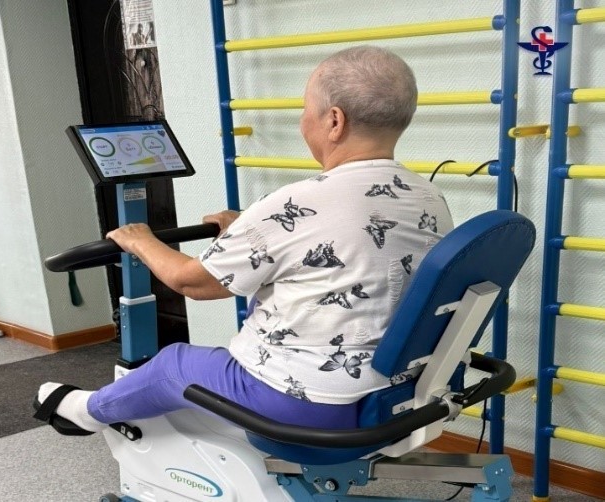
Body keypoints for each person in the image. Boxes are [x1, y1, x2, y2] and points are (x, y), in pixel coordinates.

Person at [33, 46, 453, 436]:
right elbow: (347, 252)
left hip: (307, 402)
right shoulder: (428, 198)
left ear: (334, 121)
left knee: (173, 365)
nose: (303, 121)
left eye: (305, 109)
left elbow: (192, 282)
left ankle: (87, 412)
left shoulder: (298, 202)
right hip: (393, 393)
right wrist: (245, 230)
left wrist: (139, 239)